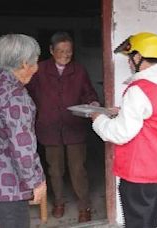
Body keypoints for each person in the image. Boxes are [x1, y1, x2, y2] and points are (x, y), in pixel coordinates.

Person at [90, 32, 157, 228]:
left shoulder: (139, 89)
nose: (129, 64)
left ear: (139, 57)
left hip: (141, 173)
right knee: (150, 222)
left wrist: (98, 119)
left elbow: (120, 133)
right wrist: (123, 111)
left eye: (130, 58)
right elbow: (155, 118)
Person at [26, 31, 99, 223]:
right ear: (51, 50)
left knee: (78, 169)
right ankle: (59, 202)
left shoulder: (79, 70)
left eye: (69, 51)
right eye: (61, 51)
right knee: (55, 170)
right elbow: (27, 95)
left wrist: (92, 103)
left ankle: (84, 206)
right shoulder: (39, 70)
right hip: (49, 127)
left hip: (74, 127)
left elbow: (88, 93)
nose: (66, 54)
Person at [0, 34, 46, 228]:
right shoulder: (16, 97)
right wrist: (36, 182)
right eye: (35, 62)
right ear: (25, 64)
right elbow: (23, 149)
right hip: (9, 189)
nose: (36, 67)